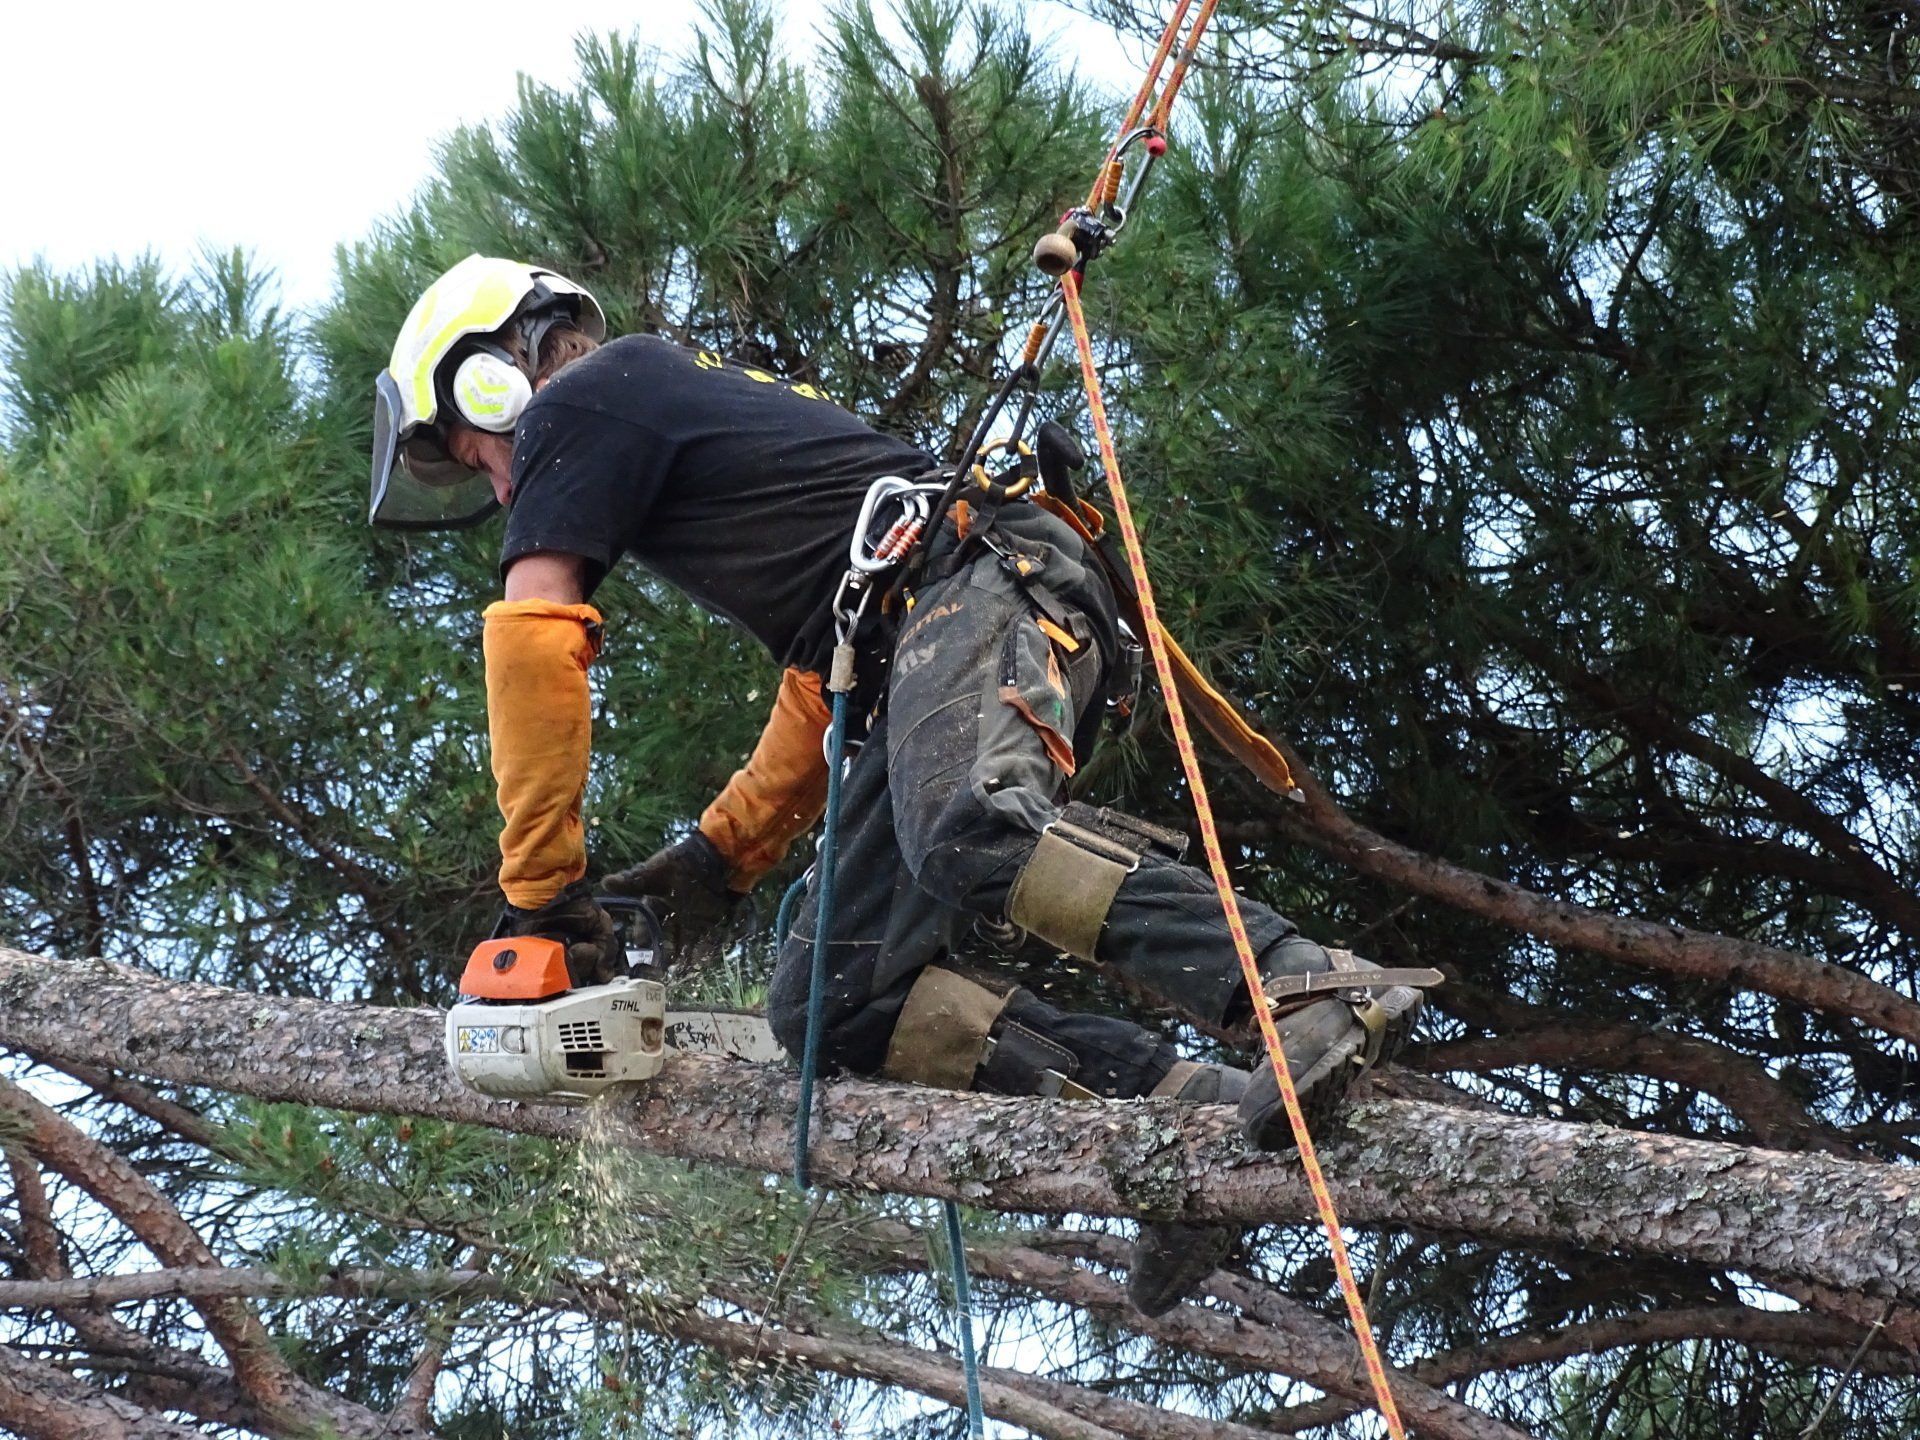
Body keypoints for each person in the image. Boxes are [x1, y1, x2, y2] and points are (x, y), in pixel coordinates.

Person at [370, 254, 1434, 1315]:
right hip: (931, 626)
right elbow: (819, 686)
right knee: (833, 1010)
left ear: (492, 381)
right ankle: (1191, 1118)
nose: (500, 488)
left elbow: (532, 642)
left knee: (969, 828)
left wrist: (541, 895)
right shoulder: (665, 426)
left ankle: (1306, 983)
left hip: (988, 580)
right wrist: (719, 857)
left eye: (477, 455)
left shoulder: (581, 400)